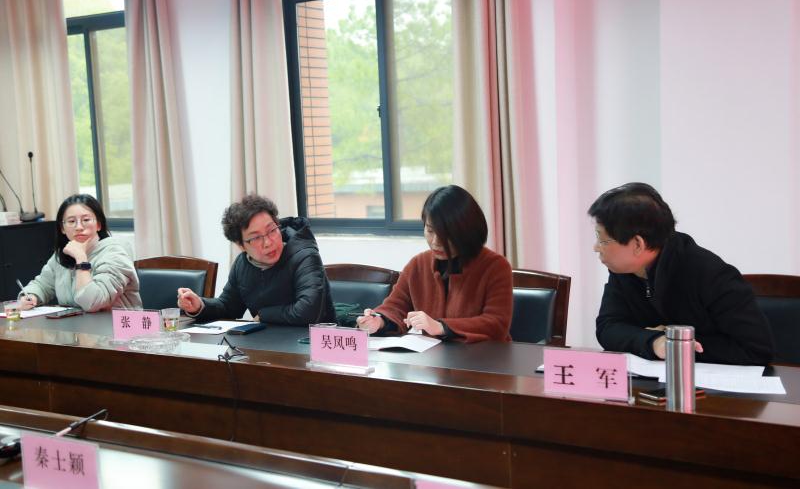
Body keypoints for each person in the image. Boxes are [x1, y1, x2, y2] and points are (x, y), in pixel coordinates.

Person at [588, 182, 774, 365]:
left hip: (713, 382)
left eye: (602, 240)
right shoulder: (624, 270)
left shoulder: (709, 273)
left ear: (638, 244)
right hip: (655, 379)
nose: (596, 248)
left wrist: (676, 344)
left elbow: (756, 349)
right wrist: (654, 342)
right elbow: (608, 327)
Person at [357, 185, 513, 342]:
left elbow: (496, 323)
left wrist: (441, 327)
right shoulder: (418, 265)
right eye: (430, 231)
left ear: (467, 232)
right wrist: (379, 321)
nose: (436, 242)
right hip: (433, 354)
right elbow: (395, 307)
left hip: (483, 355)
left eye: (446, 234)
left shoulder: (495, 266)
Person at [177, 194, 334, 325]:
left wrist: (263, 315)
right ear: (241, 245)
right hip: (267, 344)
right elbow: (228, 307)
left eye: (272, 230)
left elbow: (308, 312)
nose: (268, 242)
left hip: (312, 344)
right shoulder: (242, 264)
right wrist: (200, 305)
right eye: (256, 238)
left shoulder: (304, 256)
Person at [19, 194, 141, 312]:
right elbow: (43, 285)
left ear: (98, 225)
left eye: (86, 220)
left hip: (123, 324)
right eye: (71, 221)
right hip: (79, 324)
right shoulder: (62, 255)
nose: (79, 227)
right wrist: (31, 296)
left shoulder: (115, 253)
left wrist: (81, 259)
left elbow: (93, 302)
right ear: (62, 228)